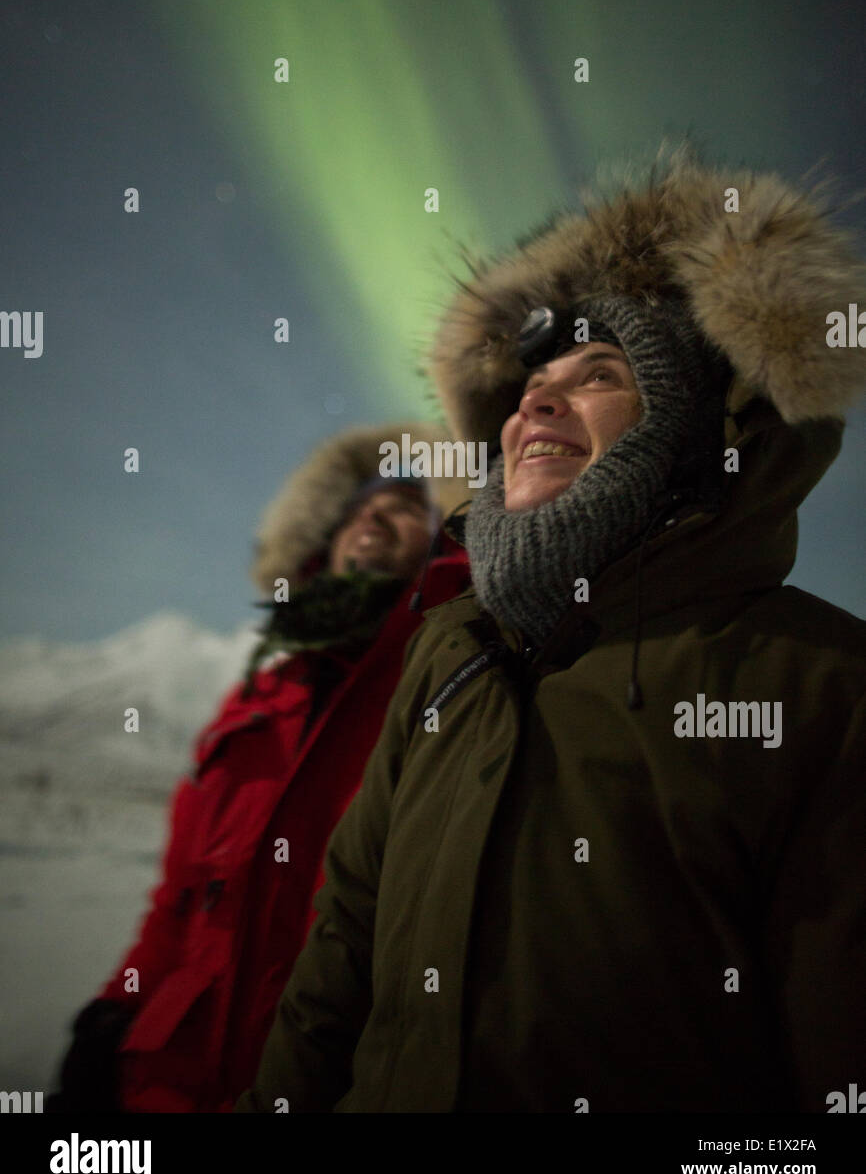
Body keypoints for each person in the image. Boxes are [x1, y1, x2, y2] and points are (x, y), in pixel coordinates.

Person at [237, 146, 866, 1113]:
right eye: (534, 379)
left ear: (690, 434)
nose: (538, 397)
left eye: (600, 373)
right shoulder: (448, 653)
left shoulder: (820, 685)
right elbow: (342, 950)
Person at [47, 422, 469, 1113]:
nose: (371, 511)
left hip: (332, 1080)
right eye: (358, 503)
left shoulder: (447, 682)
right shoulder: (254, 703)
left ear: (440, 535)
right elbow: (179, 904)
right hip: (171, 1081)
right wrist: (116, 1005)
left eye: (401, 502)